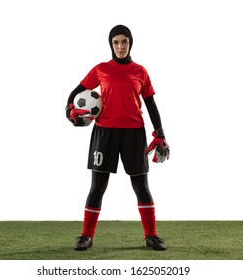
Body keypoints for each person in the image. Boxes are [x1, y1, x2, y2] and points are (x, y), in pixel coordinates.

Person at [65, 24, 170, 251]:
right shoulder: (101, 69)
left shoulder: (140, 71)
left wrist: (160, 133)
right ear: (111, 44)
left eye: (124, 42)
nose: (120, 46)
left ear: (130, 43)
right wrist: (68, 109)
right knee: (98, 186)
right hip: (105, 133)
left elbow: (151, 104)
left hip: (134, 133)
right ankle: (86, 236)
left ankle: (151, 236)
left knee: (141, 185)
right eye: (116, 42)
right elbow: (76, 92)